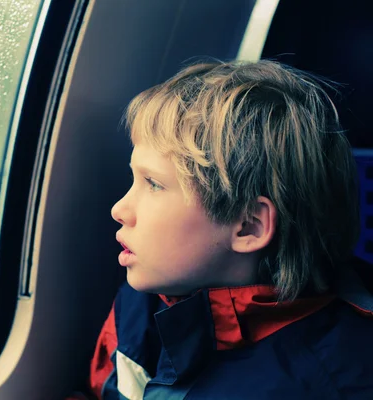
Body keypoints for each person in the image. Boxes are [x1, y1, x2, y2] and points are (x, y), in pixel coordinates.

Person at [88, 60, 373, 399]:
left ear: (249, 226)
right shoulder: (144, 307)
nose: (119, 210)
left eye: (153, 184)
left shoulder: (326, 381)